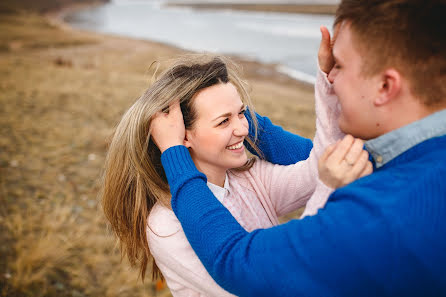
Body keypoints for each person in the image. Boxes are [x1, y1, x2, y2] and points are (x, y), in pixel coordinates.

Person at [150, 0, 446, 296]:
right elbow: (323, 164)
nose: (331, 76)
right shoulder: (165, 225)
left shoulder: (374, 212)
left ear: (385, 87)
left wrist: (178, 153)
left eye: (339, 66)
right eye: (223, 120)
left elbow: (239, 263)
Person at [101, 50, 370, 295]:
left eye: (242, 113)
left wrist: (328, 83)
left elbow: (323, 166)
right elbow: (269, 285)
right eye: (223, 121)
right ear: (183, 136)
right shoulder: (166, 224)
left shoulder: (249, 178)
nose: (243, 128)